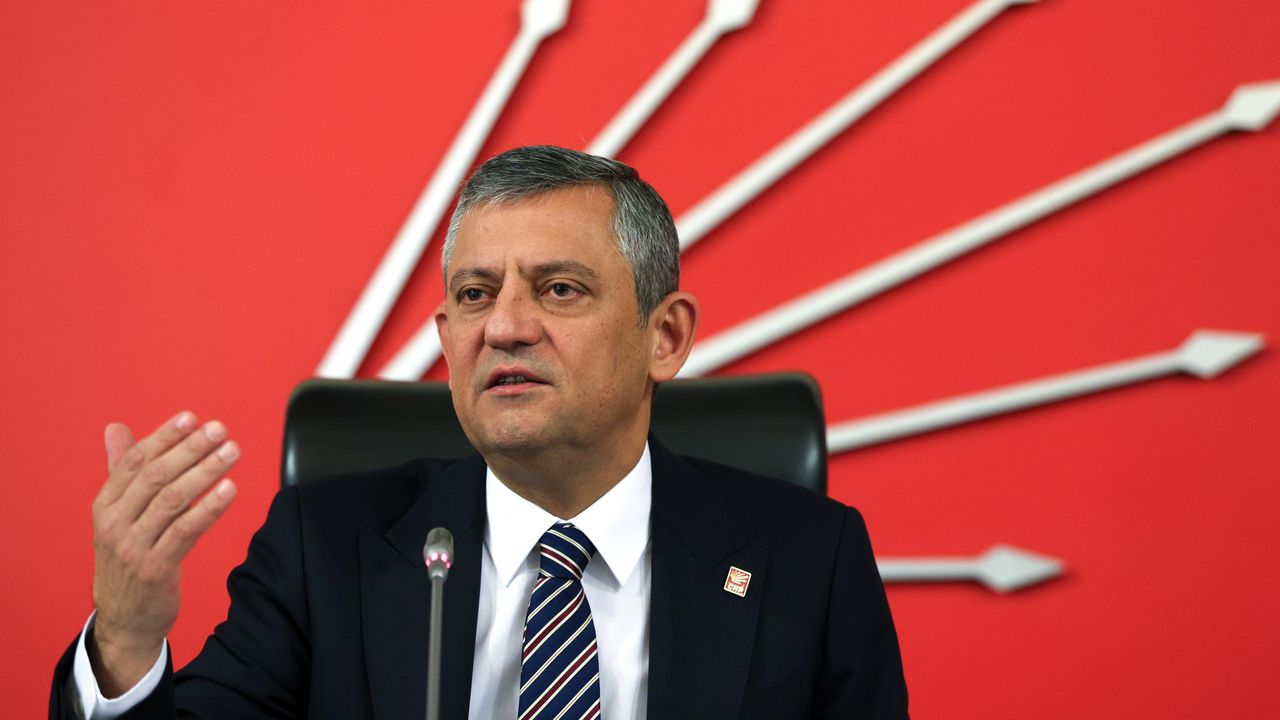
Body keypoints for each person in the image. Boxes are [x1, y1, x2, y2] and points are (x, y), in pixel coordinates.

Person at [51, 145, 908, 719]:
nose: (504, 327)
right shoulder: (326, 549)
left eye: (559, 289)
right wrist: (125, 640)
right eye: (475, 295)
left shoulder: (810, 561)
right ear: (447, 339)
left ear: (666, 336)